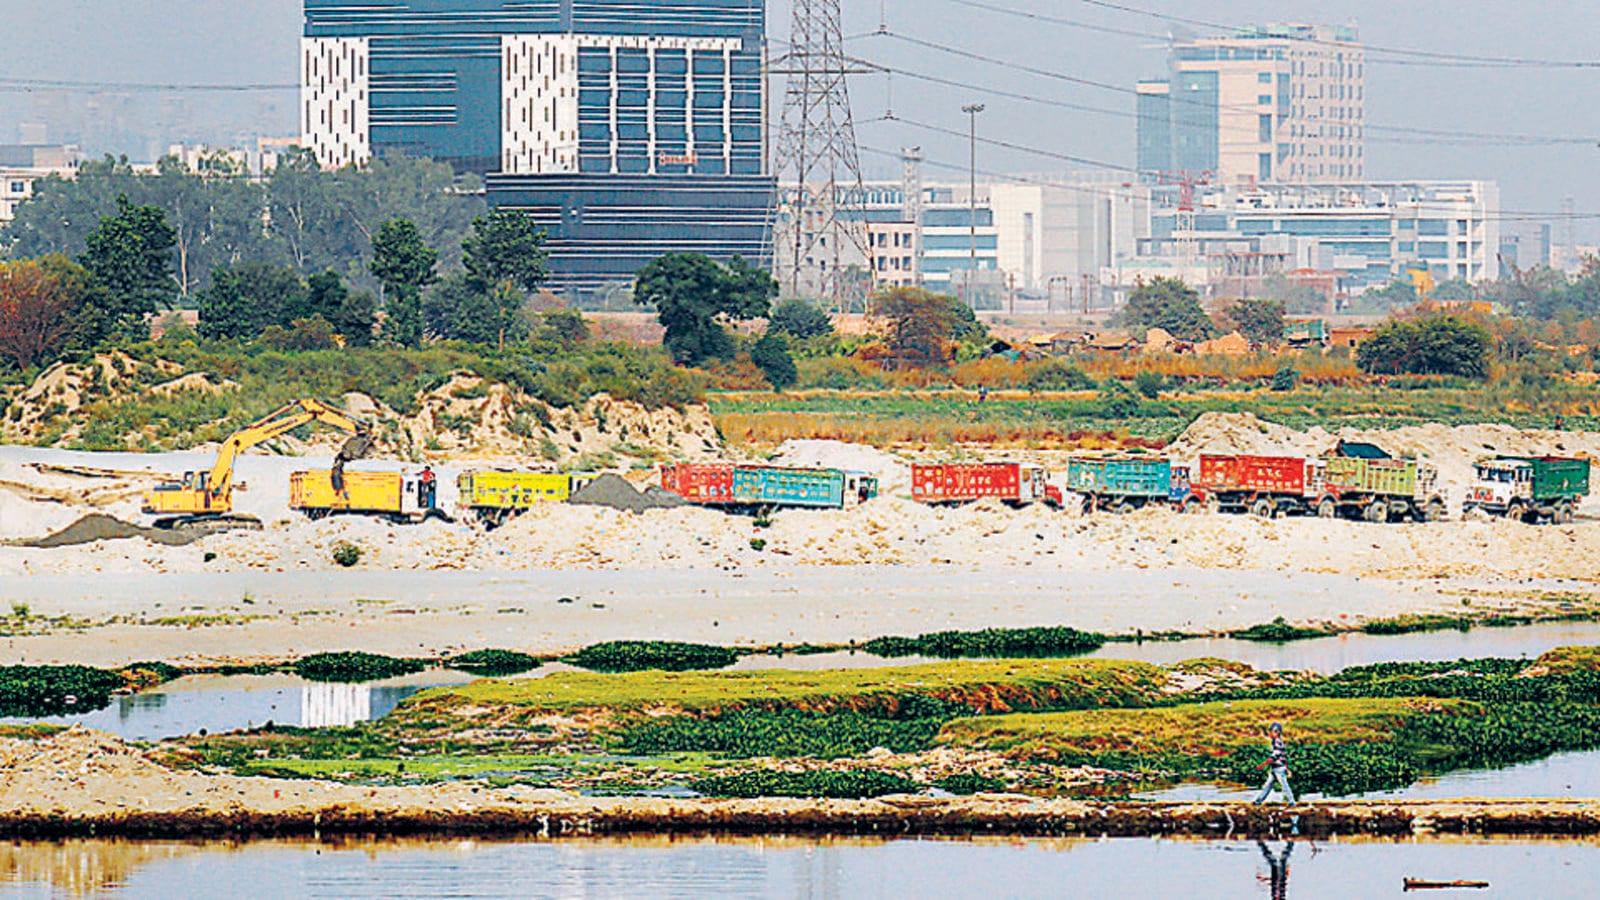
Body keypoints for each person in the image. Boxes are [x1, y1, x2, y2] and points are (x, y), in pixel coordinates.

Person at [1253, 722, 1295, 805]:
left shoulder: (1277, 742)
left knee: (1284, 785)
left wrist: (1262, 765)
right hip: (1275, 768)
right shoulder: (1275, 741)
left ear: (1276, 732)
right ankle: (1258, 801)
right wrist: (1287, 769)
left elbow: (1275, 757)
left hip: (1278, 768)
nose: (1270, 733)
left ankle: (1292, 802)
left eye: (1271, 731)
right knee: (1267, 785)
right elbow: (1283, 757)